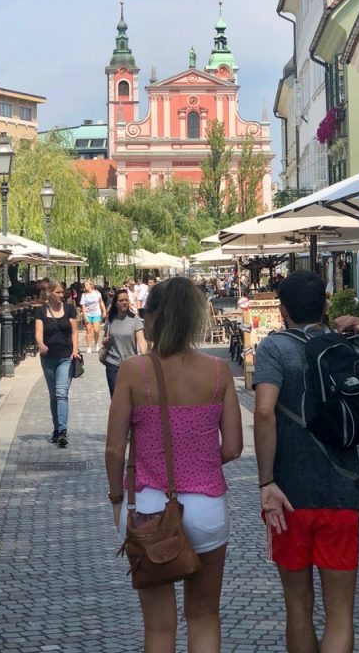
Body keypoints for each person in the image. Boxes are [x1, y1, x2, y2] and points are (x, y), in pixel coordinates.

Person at [105, 276, 243, 653]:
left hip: (149, 507)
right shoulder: (218, 372)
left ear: (157, 318)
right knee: (203, 615)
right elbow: (233, 447)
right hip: (207, 504)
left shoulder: (135, 371)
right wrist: (197, 462)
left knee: (158, 628)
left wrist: (117, 498)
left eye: (146, 313)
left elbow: (115, 449)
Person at [253, 270, 359, 653]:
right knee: (340, 613)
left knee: (298, 608)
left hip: (288, 495)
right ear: (326, 305)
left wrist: (265, 483)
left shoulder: (274, 349)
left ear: (281, 310)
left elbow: (263, 412)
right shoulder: (344, 346)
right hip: (342, 489)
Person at [34, 279, 80, 447]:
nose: (62, 295)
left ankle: (62, 430)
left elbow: (74, 331)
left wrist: (75, 349)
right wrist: (40, 344)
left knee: (61, 393)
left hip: (65, 357)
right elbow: (38, 332)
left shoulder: (69, 309)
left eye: (62, 292)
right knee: (53, 394)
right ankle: (56, 429)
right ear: (50, 294)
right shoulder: (41, 311)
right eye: (58, 292)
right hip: (48, 357)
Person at [101, 287, 148, 395]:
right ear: (116, 303)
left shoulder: (135, 319)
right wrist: (104, 341)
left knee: (131, 397)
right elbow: (104, 339)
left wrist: (145, 358)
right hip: (113, 364)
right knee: (116, 396)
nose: (124, 302)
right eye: (121, 300)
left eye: (126, 300)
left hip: (131, 364)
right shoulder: (111, 319)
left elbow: (141, 341)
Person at [80, 278, 105, 353]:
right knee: (88, 330)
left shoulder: (97, 293)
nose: (85, 286)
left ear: (91, 285)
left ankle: (96, 344)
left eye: (86, 285)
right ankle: (89, 347)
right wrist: (85, 316)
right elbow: (83, 307)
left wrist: (104, 310)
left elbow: (101, 302)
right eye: (85, 285)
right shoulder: (84, 295)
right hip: (88, 314)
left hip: (96, 313)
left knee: (96, 330)